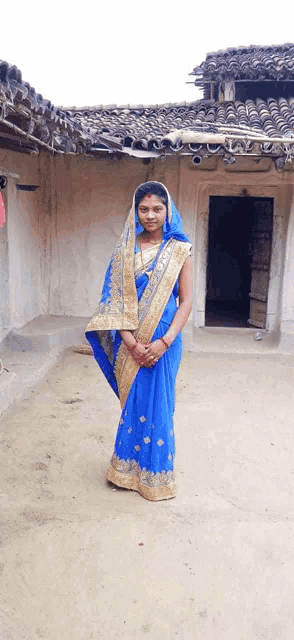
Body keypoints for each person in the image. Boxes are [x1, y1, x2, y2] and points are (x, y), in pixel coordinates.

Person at [85, 181, 192, 501]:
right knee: (133, 405)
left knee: (160, 406)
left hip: (166, 342)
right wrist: (131, 343)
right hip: (130, 341)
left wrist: (165, 342)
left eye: (157, 209)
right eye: (143, 209)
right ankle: (125, 472)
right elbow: (112, 302)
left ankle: (157, 477)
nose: (150, 215)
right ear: (135, 212)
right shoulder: (125, 250)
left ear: (168, 210)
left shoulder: (179, 250)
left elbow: (186, 301)